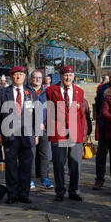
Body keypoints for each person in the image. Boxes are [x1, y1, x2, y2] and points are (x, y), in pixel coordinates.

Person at [0, 66, 38, 204]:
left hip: (27, 135)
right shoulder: (3, 93)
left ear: (24, 77)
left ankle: (24, 193)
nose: (18, 77)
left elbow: (37, 115)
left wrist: (37, 134)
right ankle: (12, 193)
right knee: (10, 165)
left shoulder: (31, 93)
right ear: (11, 77)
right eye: (15, 75)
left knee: (26, 166)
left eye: (21, 74)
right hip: (10, 134)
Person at [46, 65, 85, 202]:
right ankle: (60, 190)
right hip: (59, 130)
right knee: (59, 162)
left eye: (70, 75)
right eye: (65, 75)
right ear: (60, 76)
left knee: (75, 163)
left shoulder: (79, 91)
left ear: (73, 76)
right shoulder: (51, 90)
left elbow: (81, 114)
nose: (68, 78)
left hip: (75, 130)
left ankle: (74, 190)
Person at [27, 70, 53, 189]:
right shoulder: (26, 91)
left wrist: (45, 123)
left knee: (44, 154)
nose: (37, 79)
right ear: (31, 78)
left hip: (44, 127)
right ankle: (30, 179)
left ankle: (44, 178)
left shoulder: (47, 91)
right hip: (30, 128)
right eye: (35, 77)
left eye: (39, 77)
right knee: (31, 154)